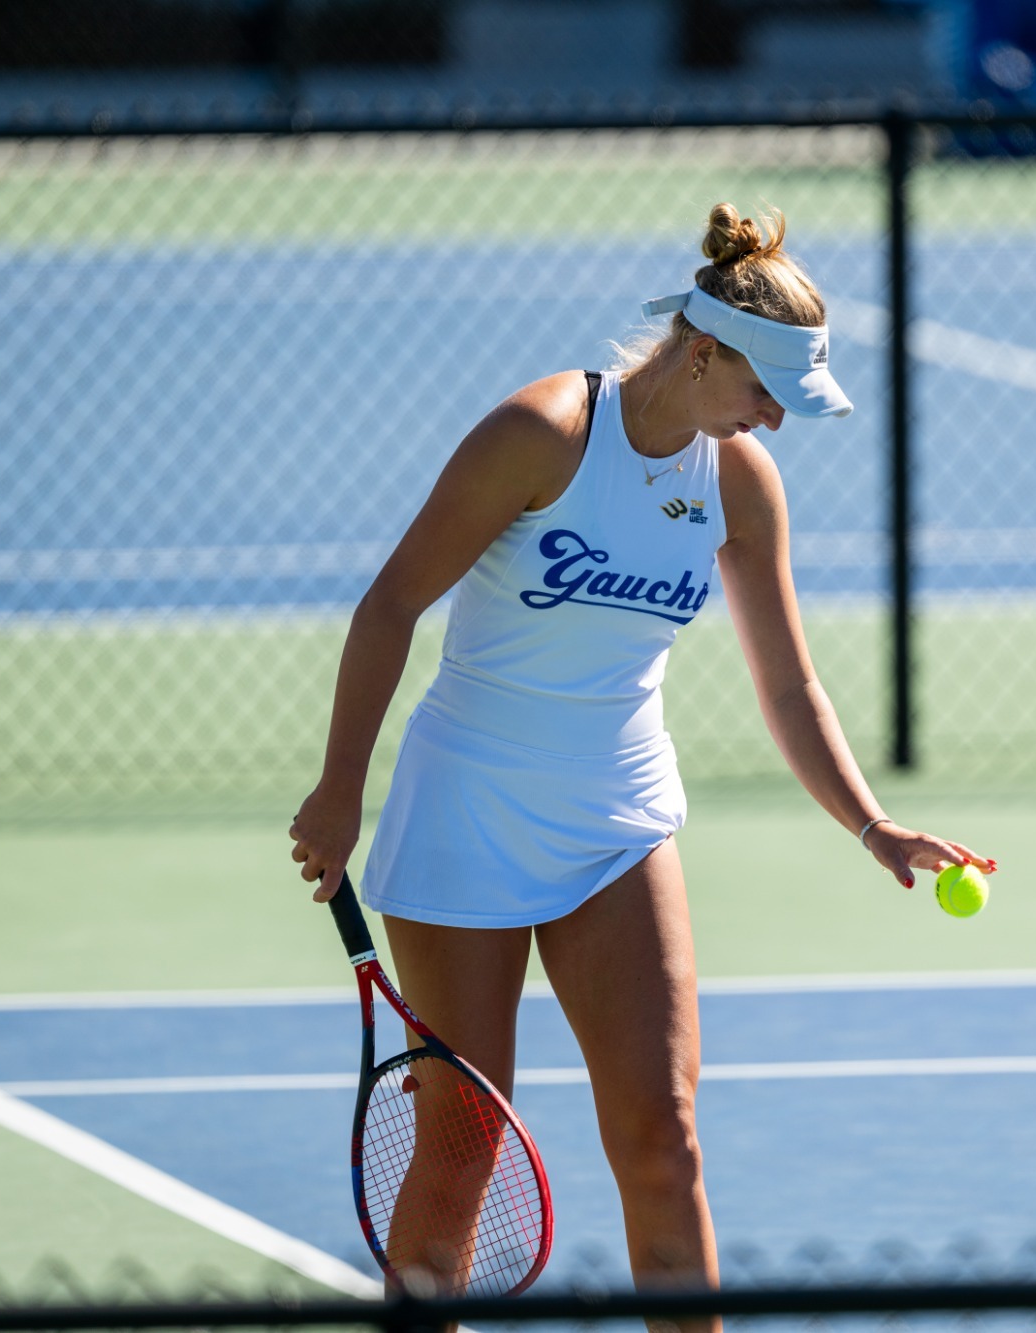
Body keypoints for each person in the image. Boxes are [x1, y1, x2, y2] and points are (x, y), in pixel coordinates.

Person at [287, 203, 996, 1305]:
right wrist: (339, 792)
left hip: (617, 821)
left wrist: (871, 823)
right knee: (464, 1152)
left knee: (664, 1142)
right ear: (703, 353)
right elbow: (390, 607)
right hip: (463, 816)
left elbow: (787, 680)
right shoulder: (542, 433)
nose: (773, 419)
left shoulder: (740, 484)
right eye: (764, 392)